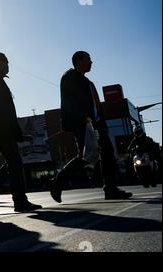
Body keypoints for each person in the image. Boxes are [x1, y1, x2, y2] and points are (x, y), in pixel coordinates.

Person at [50, 51, 133, 202]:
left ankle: (110, 188)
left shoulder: (85, 80)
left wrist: (101, 121)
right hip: (84, 123)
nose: (91, 62)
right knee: (86, 156)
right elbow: (69, 101)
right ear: (79, 60)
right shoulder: (70, 77)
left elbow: (93, 103)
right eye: (89, 60)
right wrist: (83, 118)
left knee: (107, 152)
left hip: (96, 123)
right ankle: (58, 181)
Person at [0, 52, 42, 212]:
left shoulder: (0, 82)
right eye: (3, 63)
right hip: (0, 130)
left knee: (13, 164)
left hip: (6, 130)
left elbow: (10, 112)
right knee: (16, 163)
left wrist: (18, 133)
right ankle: (20, 201)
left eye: (7, 63)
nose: (7, 66)